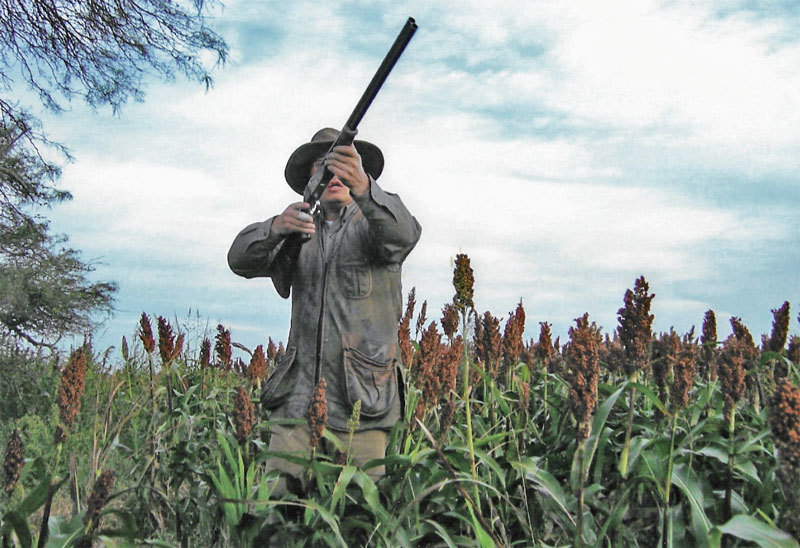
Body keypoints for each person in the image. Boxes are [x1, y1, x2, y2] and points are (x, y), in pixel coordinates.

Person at [227, 127, 421, 490]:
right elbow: (238, 259)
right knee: (277, 515)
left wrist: (365, 189)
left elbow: (405, 234)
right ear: (310, 181)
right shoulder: (295, 230)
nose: (334, 176)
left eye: (343, 166)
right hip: (296, 406)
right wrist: (275, 227)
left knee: (358, 521)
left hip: (362, 408)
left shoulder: (377, 225)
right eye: (323, 167)